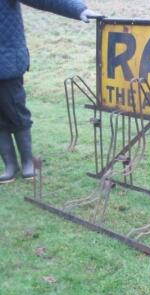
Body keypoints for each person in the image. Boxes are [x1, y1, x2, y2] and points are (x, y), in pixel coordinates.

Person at [0, 0, 100, 184]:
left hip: (6, 62)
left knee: (16, 113)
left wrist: (79, 10)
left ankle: (28, 162)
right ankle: (10, 166)